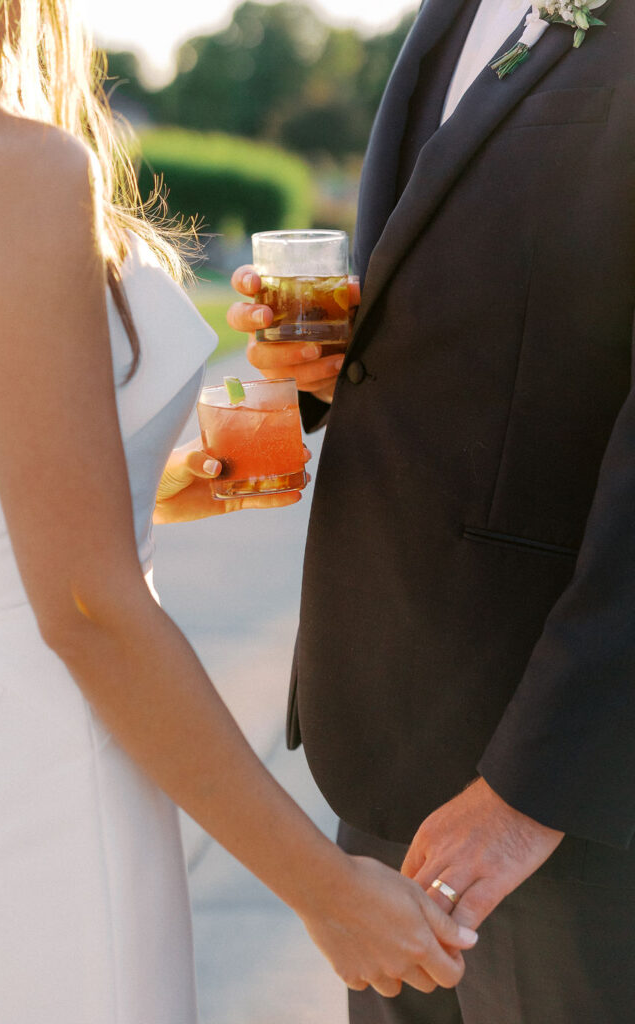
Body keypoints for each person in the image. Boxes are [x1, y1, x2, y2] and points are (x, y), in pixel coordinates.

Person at [0, 2, 479, 1022]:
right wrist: (327, 893)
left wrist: (276, 407)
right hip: (47, 783)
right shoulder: (7, 167)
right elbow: (86, 603)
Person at [229, 0, 635, 1021]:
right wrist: (315, 371)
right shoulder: (446, 15)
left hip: (557, 793)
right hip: (383, 744)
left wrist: (534, 787)